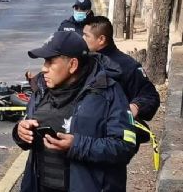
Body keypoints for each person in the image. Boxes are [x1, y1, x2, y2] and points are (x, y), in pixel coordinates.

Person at [13, 31, 137, 192]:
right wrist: (20, 132)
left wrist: (77, 146)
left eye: (50, 62)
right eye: (44, 61)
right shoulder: (41, 89)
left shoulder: (108, 93)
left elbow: (125, 146)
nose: (44, 69)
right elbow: (26, 127)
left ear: (73, 65)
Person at [82, 16, 160, 146]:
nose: (82, 39)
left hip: (112, 141)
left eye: (86, 36)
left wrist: (135, 107)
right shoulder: (81, 61)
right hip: (82, 135)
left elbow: (150, 96)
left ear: (101, 39)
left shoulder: (127, 66)